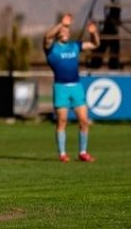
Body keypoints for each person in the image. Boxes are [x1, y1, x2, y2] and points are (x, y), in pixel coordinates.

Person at [43, 13, 100, 162]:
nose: (65, 32)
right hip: (61, 88)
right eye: (62, 30)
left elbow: (95, 44)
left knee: (84, 121)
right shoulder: (52, 48)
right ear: (58, 32)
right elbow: (47, 36)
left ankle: (83, 152)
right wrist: (62, 24)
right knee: (62, 121)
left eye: (67, 30)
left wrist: (94, 33)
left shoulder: (74, 46)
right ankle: (62, 154)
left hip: (76, 86)